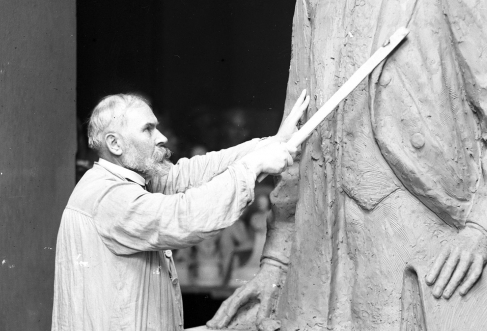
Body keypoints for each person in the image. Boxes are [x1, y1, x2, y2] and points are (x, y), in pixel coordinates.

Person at [207, 0, 487, 330]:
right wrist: (277, 262)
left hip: (417, 255)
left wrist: (484, 228)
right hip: (316, 272)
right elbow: (298, 133)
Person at [51, 93, 308, 331]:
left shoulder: (129, 182)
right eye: (148, 129)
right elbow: (184, 217)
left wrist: (269, 146)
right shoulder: (108, 197)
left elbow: (191, 174)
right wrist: (253, 166)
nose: (161, 136)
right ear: (115, 144)